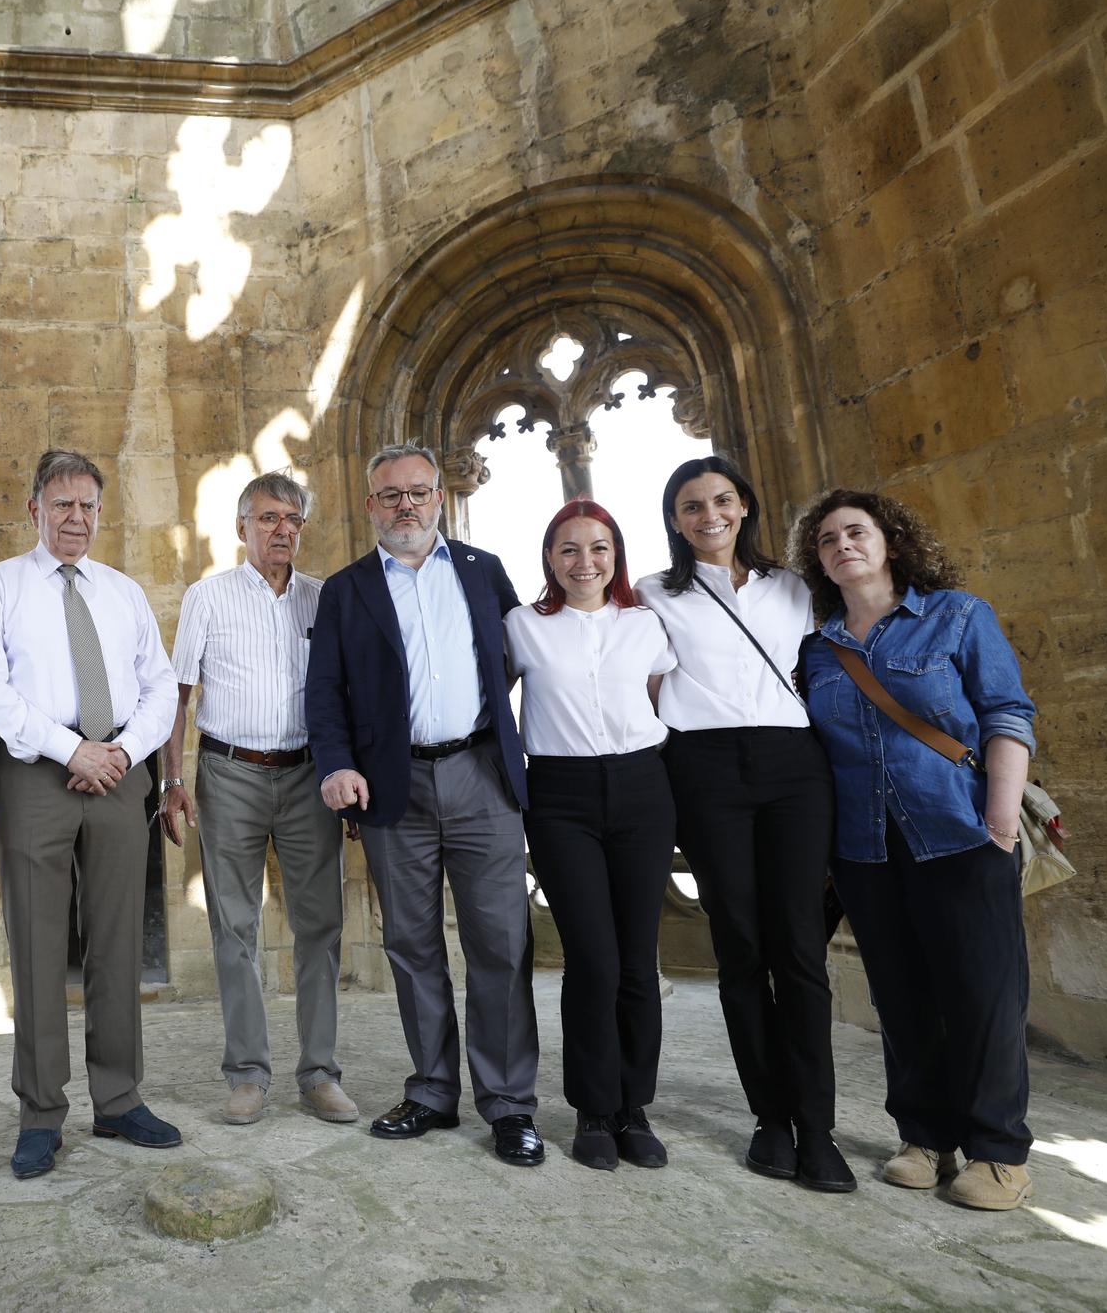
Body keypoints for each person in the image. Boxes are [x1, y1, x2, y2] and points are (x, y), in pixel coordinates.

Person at [793, 489, 1038, 1211]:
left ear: (890, 542)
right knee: (901, 996)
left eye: (856, 531)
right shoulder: (819, 648)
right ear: (819, 561)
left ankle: (998, 1151)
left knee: (984, 994)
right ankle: (925, 1136)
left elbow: (1007, 710)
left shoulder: (959, 614)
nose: (843, 544)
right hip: (867, 847)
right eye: (828, 538)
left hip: (961, 830)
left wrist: (1000, 810)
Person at [303, 443, 543, 1166]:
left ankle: (507, 1103)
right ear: (370, 505)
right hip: (392, 786)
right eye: (389, 495)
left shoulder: (483, 571)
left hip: (480, 775)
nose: (404, 505)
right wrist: (338, 765)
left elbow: (519, 658)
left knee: (501, 942)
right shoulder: (345, 590)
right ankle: (434, 1090)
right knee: (411, 943)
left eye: (417, 492)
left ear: (440, 496)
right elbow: (324, 692)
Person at [635, 455, 854, 1192]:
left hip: (795, 766)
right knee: (739, 946)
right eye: (692, 505)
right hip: (703, 769)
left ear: (745, 505)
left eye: (722, 500)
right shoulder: (654, 594)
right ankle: (771, 1119)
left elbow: (827, 665)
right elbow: (637, 678)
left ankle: (817, 1128)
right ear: (675, 519)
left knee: (799, 948)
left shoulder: (791, 587)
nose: (710, 515)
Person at [0, 448, 180, 1180]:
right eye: (62, 505)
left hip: (120, 772)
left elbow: (162, 686)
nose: (76, 519)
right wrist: (69, 750)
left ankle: (119, 1098)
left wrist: (122, 752)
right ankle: (41, 1112)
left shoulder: (122, 592)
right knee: (37, 941)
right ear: (34, 510)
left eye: (88, 506)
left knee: (118, 937)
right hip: (35, 772)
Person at [163, 472, 355, 1128]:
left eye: (293, 519)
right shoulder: (207, 598)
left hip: (309, 776)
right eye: (270, 518)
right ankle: (247, 1072)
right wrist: (172, 780)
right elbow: (178, 697)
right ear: (242, 526)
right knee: (233, 926)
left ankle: (320, 1073)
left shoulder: (324, 599)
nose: (284, 530)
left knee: (320, 924)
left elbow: (346, 692)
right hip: (230, 773)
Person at [504, 500, 677, 1171]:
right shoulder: (523, 626)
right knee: (593, 958)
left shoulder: (645, 623)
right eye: (569, 549)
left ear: (616, 554)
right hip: (560, 796)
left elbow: (662, 693)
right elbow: (495, 699)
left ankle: (634, 1107)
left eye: (598, 547)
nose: (585, 561)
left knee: (638, 959)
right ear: (550, 558)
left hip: (642, 787)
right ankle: (593, 1108)